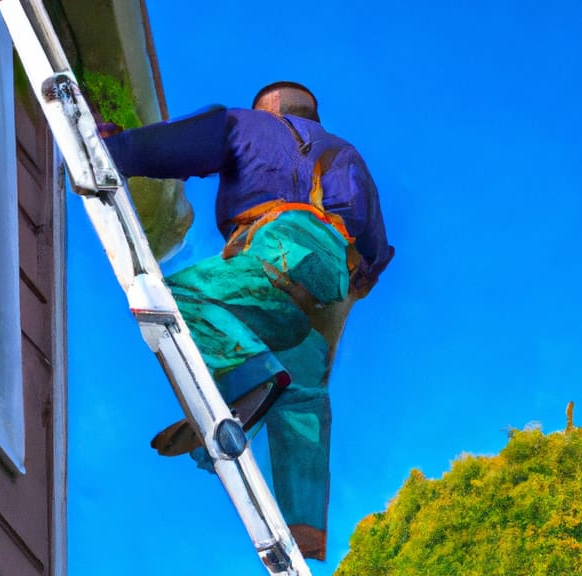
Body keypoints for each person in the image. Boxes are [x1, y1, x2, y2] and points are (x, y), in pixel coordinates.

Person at [101, 81, 393, 560]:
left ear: (271, 106)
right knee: (303, 400)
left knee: (172, 299)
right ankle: (303, 534)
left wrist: (118, 148)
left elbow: (189, 144)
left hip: (281, 246)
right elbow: (378, 252)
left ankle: (247, 381)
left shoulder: (253, 124)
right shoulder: (350, 157)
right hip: (335, 281)